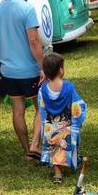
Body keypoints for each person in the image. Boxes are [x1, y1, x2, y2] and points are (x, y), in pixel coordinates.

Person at [0, 0, 45, 161]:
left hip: (8, 70)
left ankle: (26, 150)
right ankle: (35, 145)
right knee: (40, 107)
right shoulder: (27, 8)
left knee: (18, 109)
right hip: (29, 69)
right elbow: (34, 42)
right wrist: (42, 66)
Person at [36, 53, 87, 183]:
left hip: (50, 126)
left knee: (53, 147)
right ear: (61, 69)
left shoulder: (42, 89)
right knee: (68, 143)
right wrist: (77, 121)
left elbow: (42, 109)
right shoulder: (68, 87)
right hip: (67, 126)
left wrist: (47, 125)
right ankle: (71, 161)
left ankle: (57, 173)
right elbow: (77, 107)